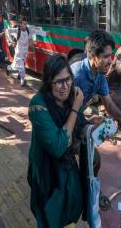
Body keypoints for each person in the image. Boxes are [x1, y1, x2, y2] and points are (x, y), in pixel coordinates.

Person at [28, 53, 87, 227]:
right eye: (58, 82)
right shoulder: (37, 105)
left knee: (72, 205)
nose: (65, 86)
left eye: (68, 79)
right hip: (47, 171)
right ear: (48, 82)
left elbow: (80, 124)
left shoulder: (70, 97)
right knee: (50, 214)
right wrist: (76, 108)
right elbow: (58, 146)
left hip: (67, 166)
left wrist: (94, 128)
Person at [71, 30, 121, 128]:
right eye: (106, 57)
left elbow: (109, 104)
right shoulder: (76, 75)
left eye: (110, 56)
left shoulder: (100, 76)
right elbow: (63, 108)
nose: (110, 61)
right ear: (93, 56)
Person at [6, 18, 46, 87]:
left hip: (24, 53)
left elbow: (36, 31)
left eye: (26, 24)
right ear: (20, 24)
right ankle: (22, 82)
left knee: (15, 66)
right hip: (18, 53)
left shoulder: (28, 30)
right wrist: (11, 40)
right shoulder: (16, 30)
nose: (25, 25)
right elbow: (7, 30)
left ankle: (8, 68)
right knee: (22, 68)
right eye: (24, 24)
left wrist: (45, 33)